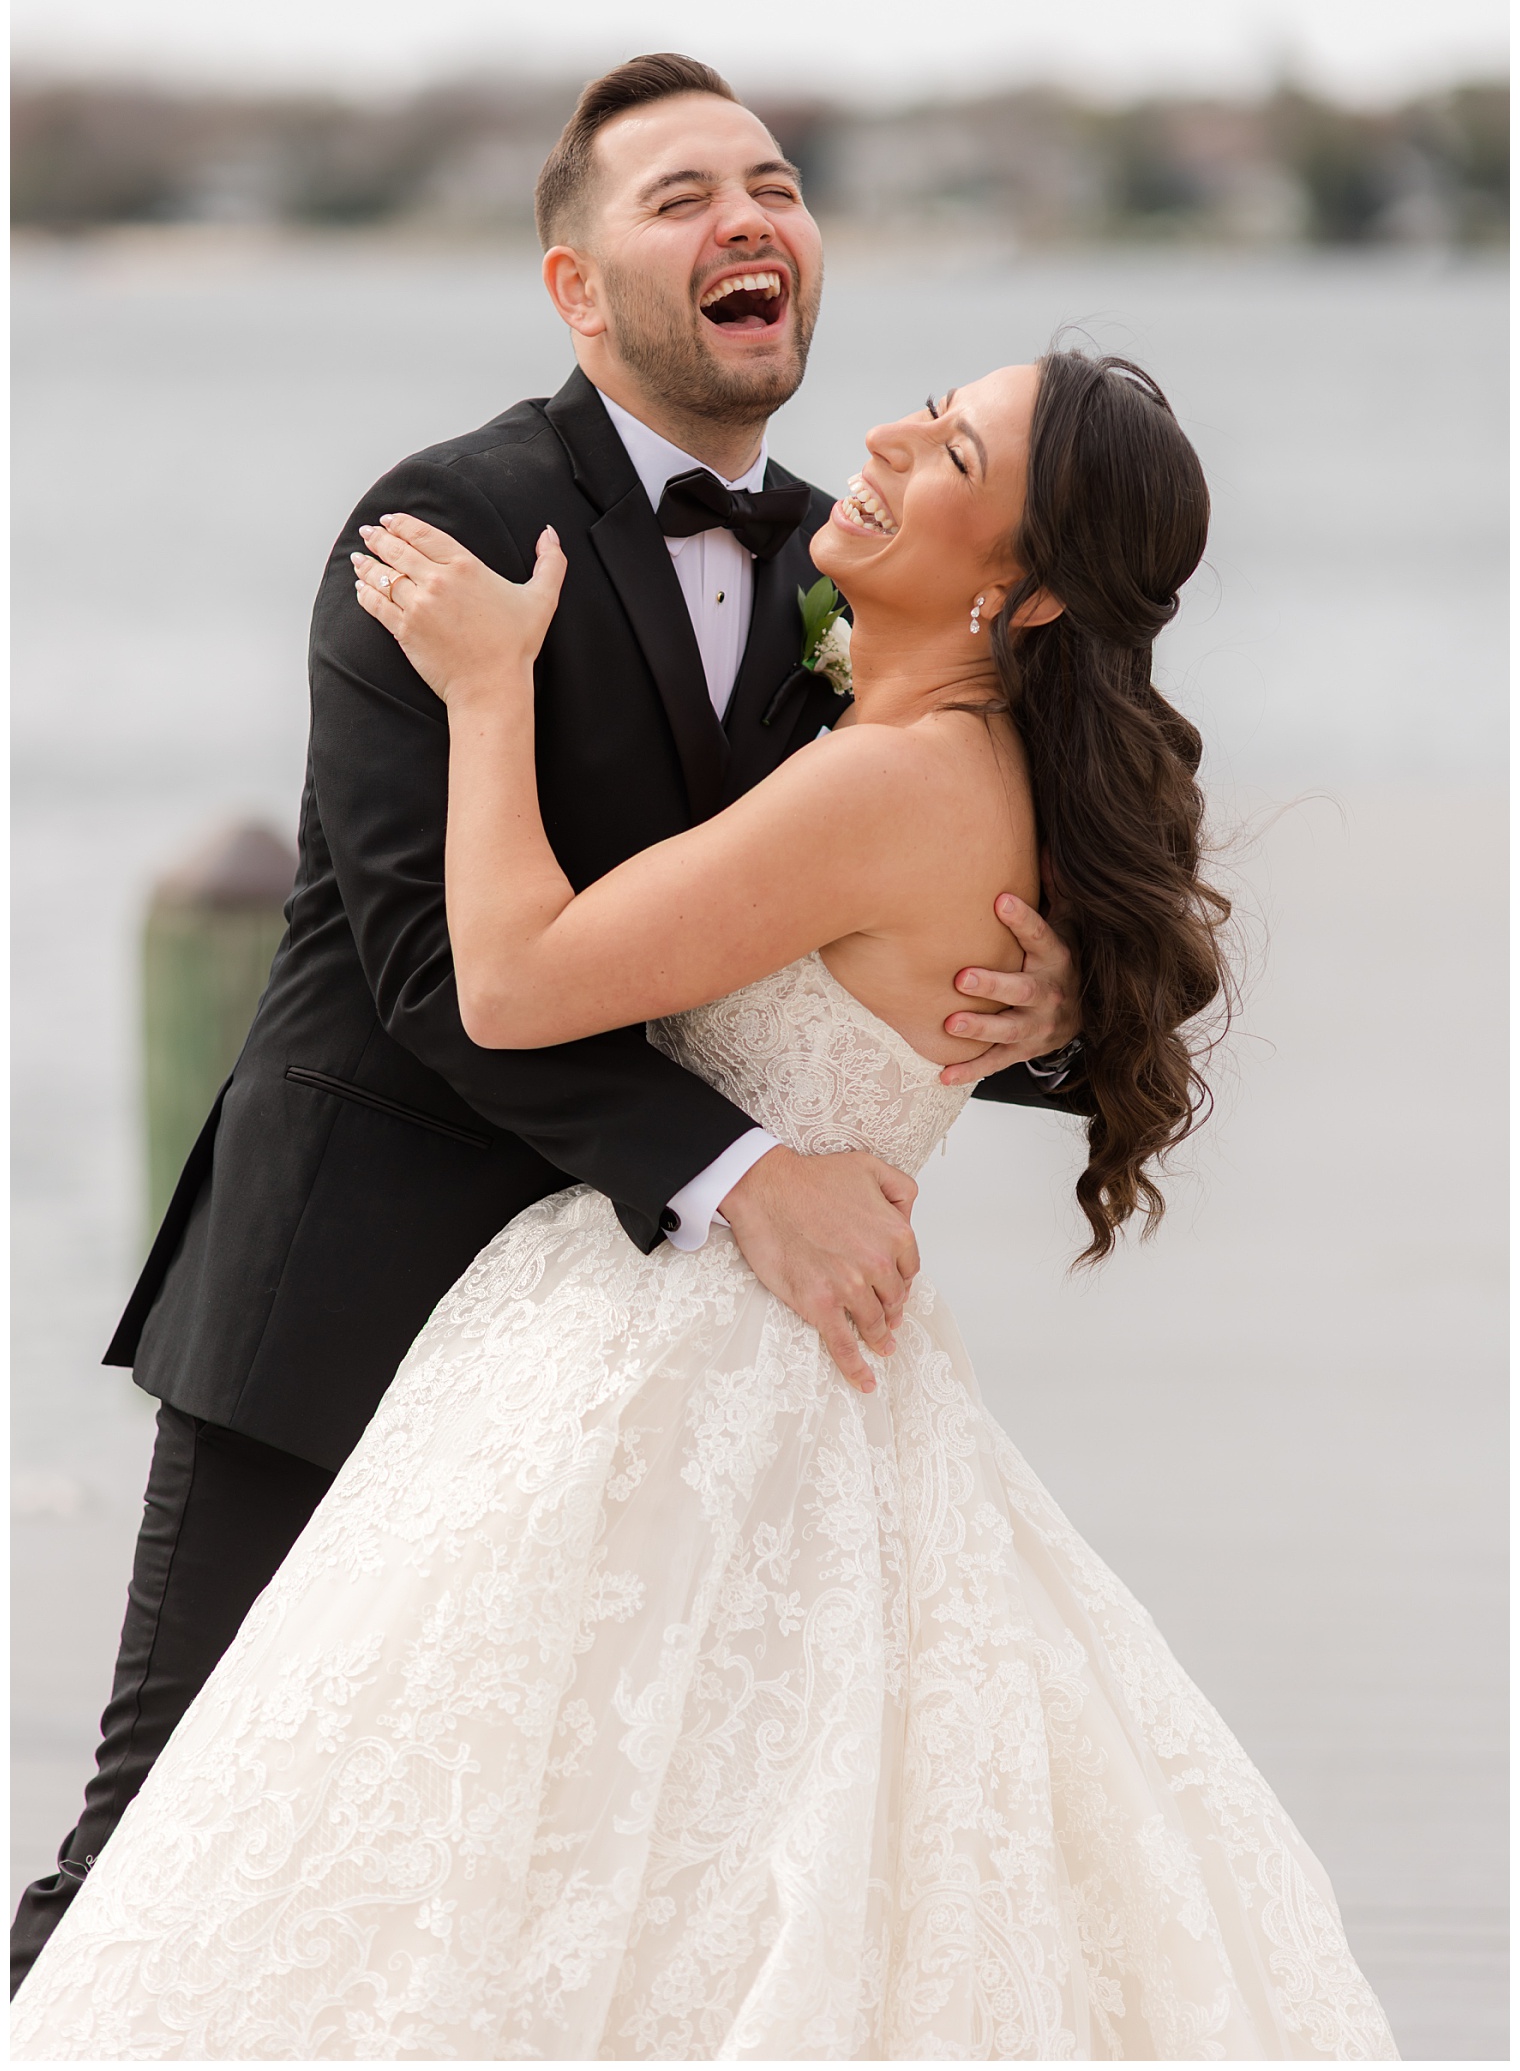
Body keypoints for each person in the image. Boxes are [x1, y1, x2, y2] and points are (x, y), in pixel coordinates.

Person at [12, 349, 1397, 2058]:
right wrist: (1071, 1002)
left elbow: (510, 982)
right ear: (573, 284)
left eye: (954, 446)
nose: (889, 438)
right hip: (765, 1360)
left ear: (1020, 592)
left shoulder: (895, 774)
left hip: (682, 1366)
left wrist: (491, 690)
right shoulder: (936, 722)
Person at [10, 54, 1087, 1996]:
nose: (744, 216)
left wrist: (1061, 1004)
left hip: (642, 1374)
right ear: (577, 290)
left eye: (772, 179)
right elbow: (431, 970)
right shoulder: (448, 518)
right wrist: (740, 1172)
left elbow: (873, 912)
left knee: (568, 1873)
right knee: (169, 1845)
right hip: (354, 1280)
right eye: (678, 195)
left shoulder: (864, 570)